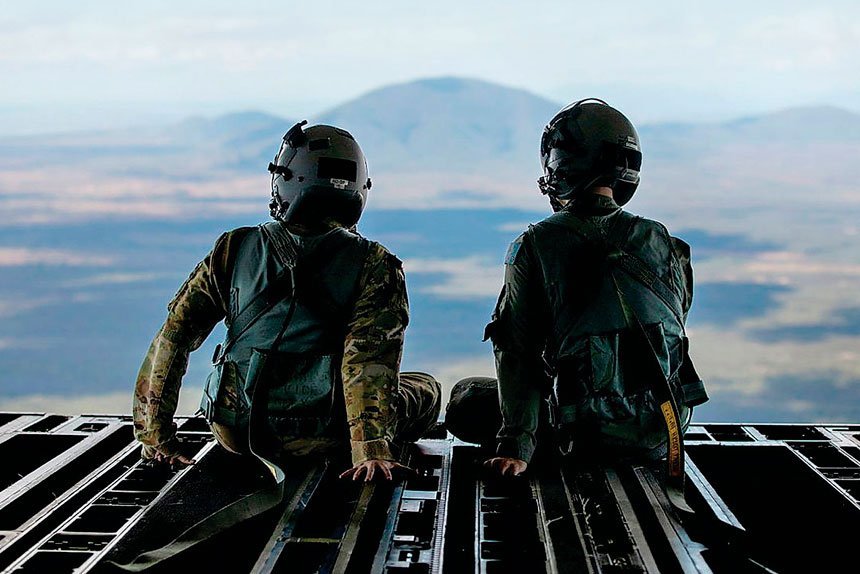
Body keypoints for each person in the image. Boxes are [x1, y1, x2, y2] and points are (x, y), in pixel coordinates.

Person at [132, 120, 441, 481]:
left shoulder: (232, 249)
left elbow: (173, 339)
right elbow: (369, 362)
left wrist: (157, 438)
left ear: (285, 179)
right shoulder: (375, 264)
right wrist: (370, 451)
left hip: (237, 431)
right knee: (427, 389)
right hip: (324, 435)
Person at [447, 99, 707, 477]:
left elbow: (517, 351)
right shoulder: (665, 241)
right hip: (665, 429)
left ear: (561, 165)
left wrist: (516, 444)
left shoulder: (535, 245)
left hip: (584, 434)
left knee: (466, 398)